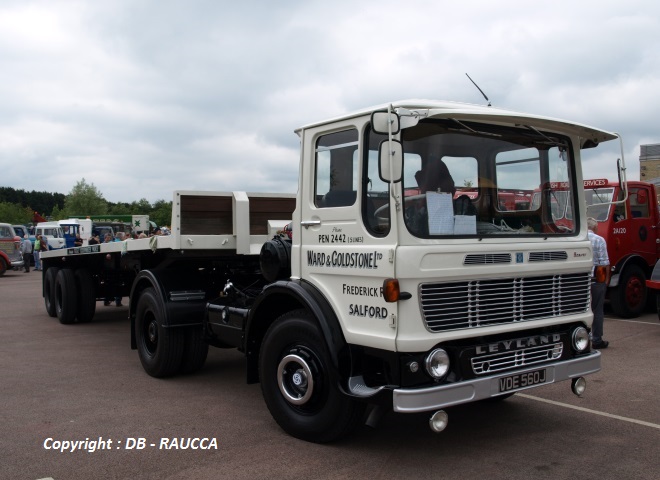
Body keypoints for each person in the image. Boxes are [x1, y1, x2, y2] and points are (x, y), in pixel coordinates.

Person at [588, 217, 610, 349]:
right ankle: (596, 340)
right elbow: (604, 262)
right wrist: (606, 280)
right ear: (595, 228)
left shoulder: (579, 238)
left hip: (580, 280)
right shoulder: (599, 240)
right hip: (596, 279)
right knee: (597, 309)